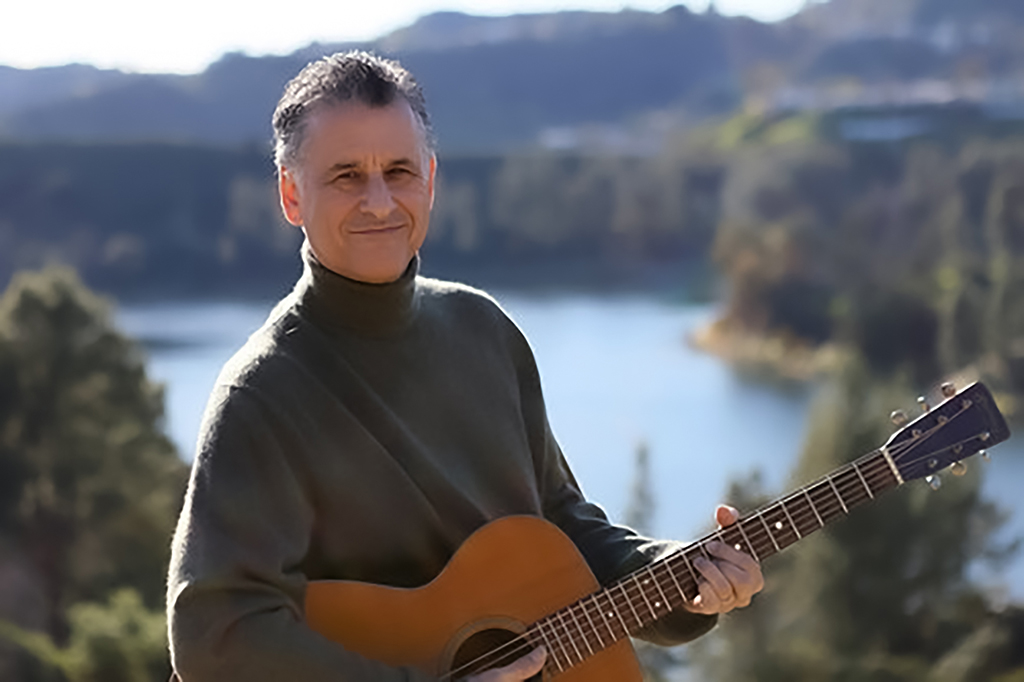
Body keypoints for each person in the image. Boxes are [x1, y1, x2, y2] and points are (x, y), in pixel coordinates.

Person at [166, 51, 763, 682]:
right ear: (292, 194)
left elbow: (559, 521)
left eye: (399, 171)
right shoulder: (261, 393)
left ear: (430, 179)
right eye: (346, 176)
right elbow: (217, 634)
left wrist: (678, 579)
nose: (378, 202)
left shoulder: (484, 330)